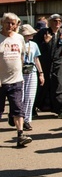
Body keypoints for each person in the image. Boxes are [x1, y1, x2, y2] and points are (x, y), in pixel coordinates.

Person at [1, 13, 33, 147]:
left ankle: (20, 135)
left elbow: (21, 56)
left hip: (16, 80)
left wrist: (20, 74)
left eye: (13, 23)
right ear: (2, 23)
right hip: (1, 81)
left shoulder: (19, 38)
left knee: (18, 109)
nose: (10, 25)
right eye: (8, 22)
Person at [33, 13, 62, 118]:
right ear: (50, 22)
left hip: (58, 63)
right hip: (45, 63)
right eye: (55, 21)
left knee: (60, 85)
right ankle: (33, 108)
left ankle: (61, 110)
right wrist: (45, 42)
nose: (57, 23)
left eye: (59, 21)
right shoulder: (43, 32)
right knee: (41, 86)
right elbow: (36, 48)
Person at [19, 24, 43, 131]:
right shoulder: (18, 43)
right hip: (20, 71)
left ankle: (27, 120)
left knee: (30, 97)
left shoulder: (34, 45)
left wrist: (41, 73)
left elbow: (36, 59)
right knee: (21, 97)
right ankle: (19, 117)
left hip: (32, 71)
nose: (31, 35)